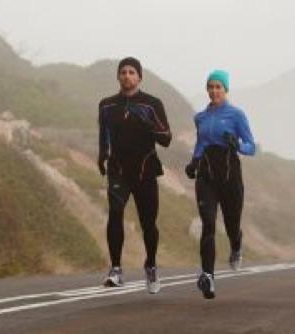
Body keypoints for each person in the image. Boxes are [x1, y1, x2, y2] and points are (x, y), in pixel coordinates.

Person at [97, 57, 172, 294]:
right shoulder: (107, 105)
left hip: (145, 170)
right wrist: (102, 156)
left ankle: (150, 265)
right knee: (115, 213)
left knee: (148, 223)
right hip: (118, 170)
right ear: (118, 77)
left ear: (139, 77)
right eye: (123, 72)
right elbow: (104, 133)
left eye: (132, 72)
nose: (127, 76)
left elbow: (166, 138)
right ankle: (116, 269)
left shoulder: (152, 104)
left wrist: (147, 122)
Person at [185, 70, 256, 299]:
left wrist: (238, 144)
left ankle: (236, 246)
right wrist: (194, 162)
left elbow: (251, 146)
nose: (214, 90)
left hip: (230, 177)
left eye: (219, 87)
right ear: (207, 89)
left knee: (232, 223)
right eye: (211, 86)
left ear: (226, 90)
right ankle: (208, 276)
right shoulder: (201, 118)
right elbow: (201, 143)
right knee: (208, 224)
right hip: (206, 177)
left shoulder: (236, 115)